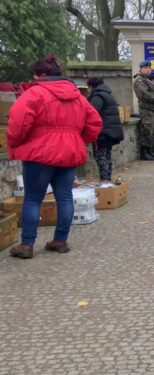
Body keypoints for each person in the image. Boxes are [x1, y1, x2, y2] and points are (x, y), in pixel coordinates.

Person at [7, 55, 102, 259]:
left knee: (33, 198)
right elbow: (94, 122)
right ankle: (60, 241)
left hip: (39, 153)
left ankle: (27, 245)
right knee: (65, 196)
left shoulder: (35, 93)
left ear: (41, 75)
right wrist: (76, 139)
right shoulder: (78, 96)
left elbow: (18, 122)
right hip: (69, 152)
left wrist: (15, 143)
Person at [87, 76, 124, 181]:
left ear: (91, 86)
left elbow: (92, 113)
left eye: (88, 87)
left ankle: (104, 182)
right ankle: (107, 180)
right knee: (107, 156)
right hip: (110, 131)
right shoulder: (107, 94)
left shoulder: (98, 96)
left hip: (102, 132)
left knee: (101, 157)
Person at [133, 60, 154, 161]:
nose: (148, 70)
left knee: (153, 132)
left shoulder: (148, 80)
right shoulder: (139, 80)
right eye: (146, 68)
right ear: (140, 69)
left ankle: (150, 151)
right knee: (147, 130)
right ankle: (144, 153)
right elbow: (143, 94)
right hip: (147, 109)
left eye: (149, 68)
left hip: (153, 109)